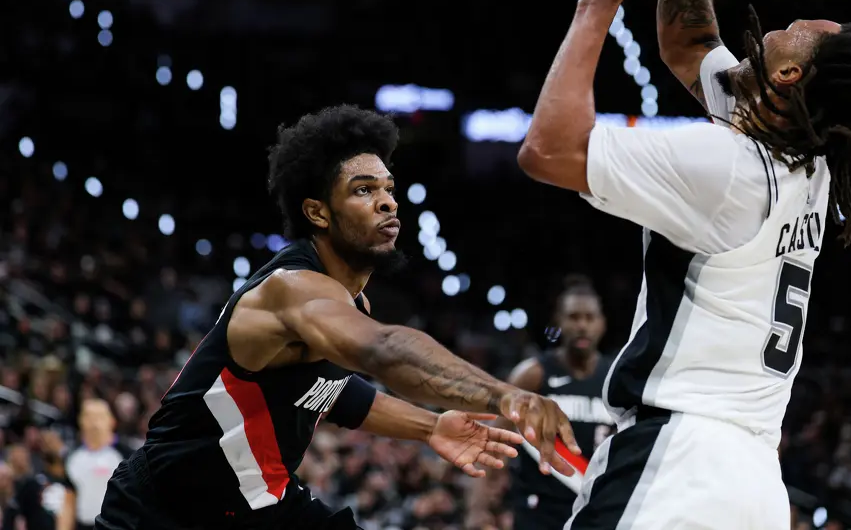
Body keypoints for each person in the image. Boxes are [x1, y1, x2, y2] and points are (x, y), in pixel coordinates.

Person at [516, 0, 851, 530]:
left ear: (790, 77)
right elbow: (687, 44)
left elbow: (546, 150)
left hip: (677, 462)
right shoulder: (808, 156)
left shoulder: (730, 168)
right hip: (751, 485)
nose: (811, 16)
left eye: (818, 29)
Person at [95, 105, 579, 530]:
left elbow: (337, 393)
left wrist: (429, 427)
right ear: (318, 213)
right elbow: (384, 351)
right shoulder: (290, 290)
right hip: (163, 509)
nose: (388, 201)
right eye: (364, 190)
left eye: (389, 188)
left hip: (261, 506)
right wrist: (504, 395)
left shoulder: (351, 305)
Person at [467, 276, 615, 530]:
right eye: (574, 317)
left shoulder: (616, 379)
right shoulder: (532, 375)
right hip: (539, 511)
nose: (582, 326)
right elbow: (494, 442)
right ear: (559, 321)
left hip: (600, 510)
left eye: (590, 318)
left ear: (602, 323)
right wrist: (479, 509)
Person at [62, 400, 131, 530]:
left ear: (111, 421)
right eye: (89, 416)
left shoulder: (127, 455)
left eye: (100, 417)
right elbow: (69, 503)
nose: (94, 423)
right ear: (80, 421)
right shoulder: (73, 458)